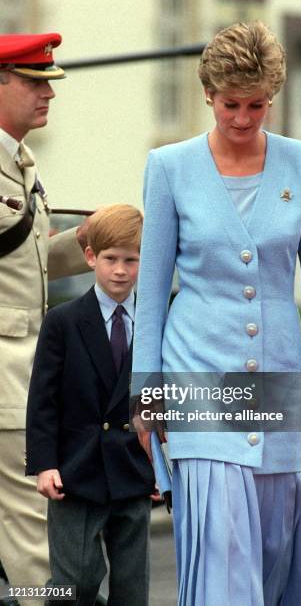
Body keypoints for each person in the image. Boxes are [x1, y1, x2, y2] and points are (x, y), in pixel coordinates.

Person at [131, 21, 301, 606]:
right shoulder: (169, 167)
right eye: (231, 103)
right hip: (196, 375)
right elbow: (152, 293)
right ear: (208, 94)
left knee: (270, 547)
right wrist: (144, 392)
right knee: (221, 551)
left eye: (257, 104)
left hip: (276, 376)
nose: (242, 117)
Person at [26, 204, 156, 606]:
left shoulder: (157, 323)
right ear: (90, 258)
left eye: (131, 260)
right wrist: (44, 464)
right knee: (75, 582)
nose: (120, 270)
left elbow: (166, 400)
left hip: (135, 469)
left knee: (133, 588)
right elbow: (43, 400)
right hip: (75, 471)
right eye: (110, 259)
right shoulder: (62, 322)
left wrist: (164, 465)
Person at [0, 33, 90, 602]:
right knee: (36, 540)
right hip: (6, 377)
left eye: (49, 84)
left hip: (24, 371)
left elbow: (22, 263)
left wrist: (92, 240)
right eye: (34, 82)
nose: (46, 94)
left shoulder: (19, 163)